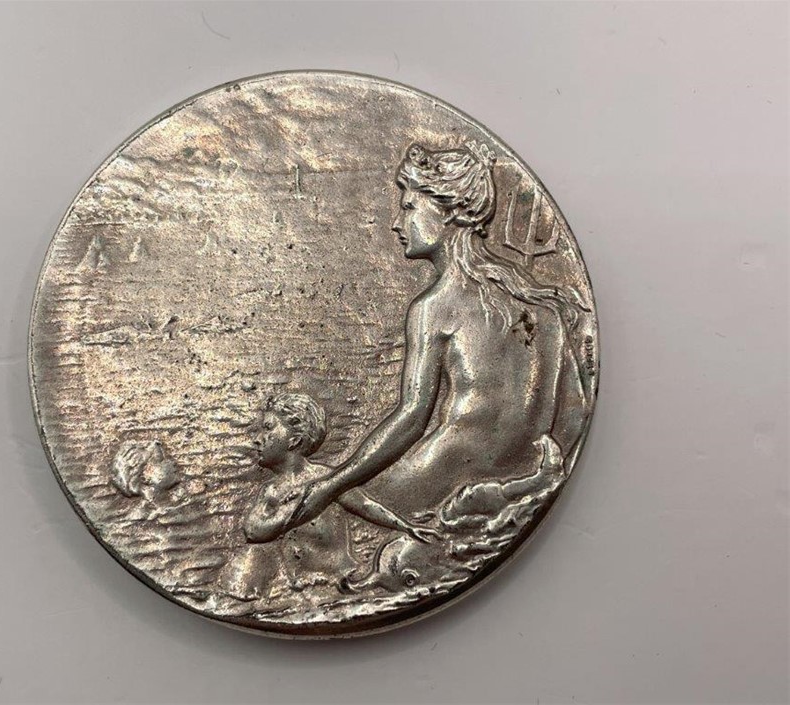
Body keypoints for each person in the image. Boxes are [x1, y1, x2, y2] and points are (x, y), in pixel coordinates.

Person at [264, 142, 593, 540]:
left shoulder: (435, 307)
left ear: (449, 212)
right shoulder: (544, 308)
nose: (397, 224)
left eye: (408, 207)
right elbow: (574, 416)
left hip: (439, 474)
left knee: (300, 506)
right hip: (519, 474)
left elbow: (412, 419)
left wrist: (330, 486)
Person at [218, 393, 436, 599]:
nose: (257, 439)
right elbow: (253, 531)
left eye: (268, 428)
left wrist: (406, 526)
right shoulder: (270, 492)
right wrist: (294, 508)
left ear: (294, 439)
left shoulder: (326, 479)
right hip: (302, 587)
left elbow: (365, 505)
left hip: (340, 580)